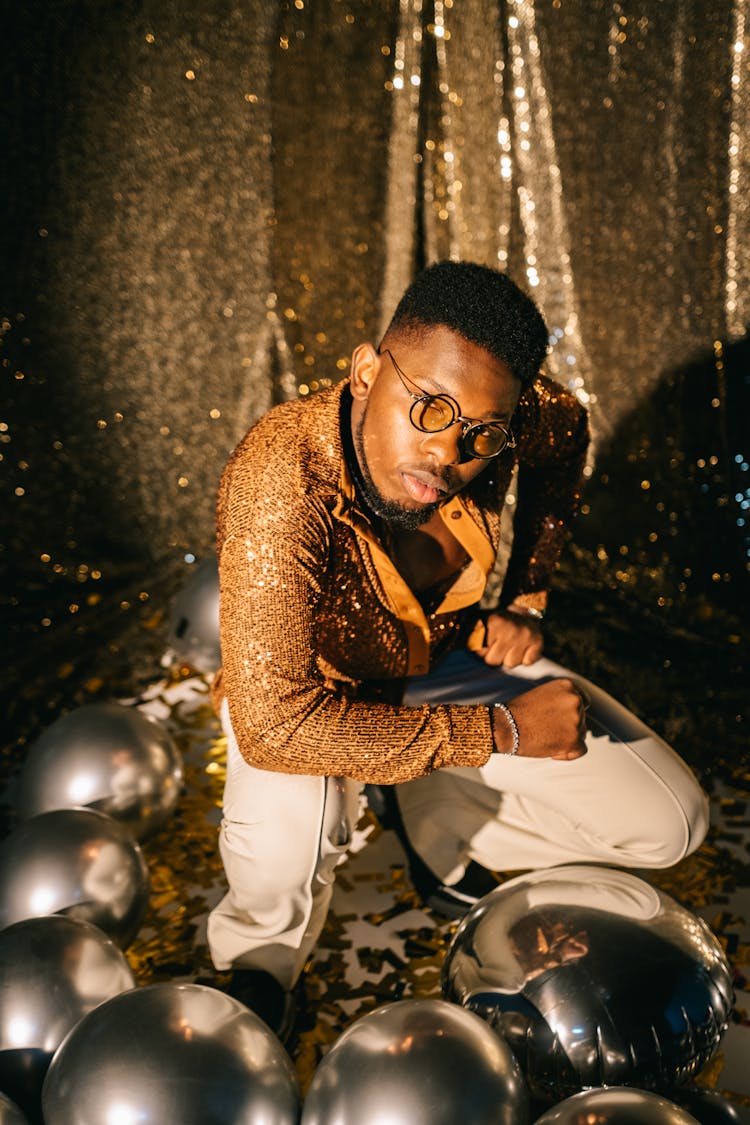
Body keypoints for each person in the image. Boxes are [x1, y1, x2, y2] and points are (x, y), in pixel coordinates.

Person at [207, 260, 709, 1039]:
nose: (449, 452)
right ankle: (261, 964)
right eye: (429, 407)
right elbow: (276, 725)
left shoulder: (503, 423)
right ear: (367, 370)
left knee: (672, 824)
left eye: (480, 432)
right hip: (313, 692)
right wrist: (504, 731)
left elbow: (567, 431)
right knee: (284, 855)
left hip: (441, 667)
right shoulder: (281, 479)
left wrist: (527, 596)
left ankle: (431, 824)